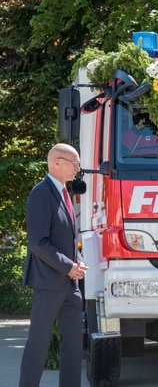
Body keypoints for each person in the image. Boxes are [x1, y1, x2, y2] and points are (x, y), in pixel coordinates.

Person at [19, 143, 89, 387]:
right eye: (75, 163)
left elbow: (67, 238)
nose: (78, 169)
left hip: (70, 284)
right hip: (48, 283)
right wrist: (68, 266)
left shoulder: (64, 193)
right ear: (56, 162)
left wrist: (77, 261)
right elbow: (38, 242)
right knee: (38, 343)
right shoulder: (40, 193)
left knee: (73, 344)